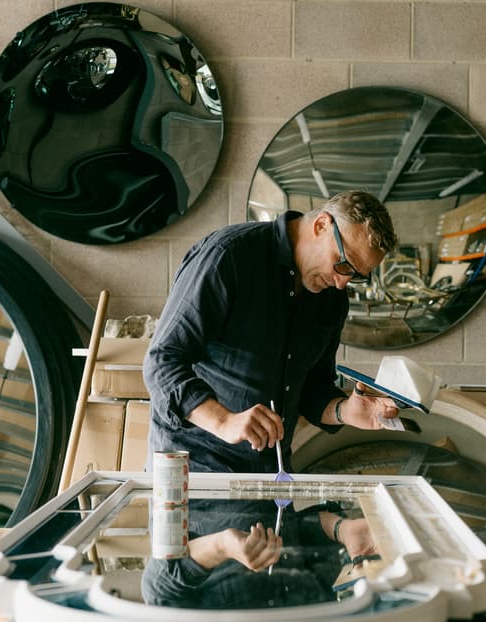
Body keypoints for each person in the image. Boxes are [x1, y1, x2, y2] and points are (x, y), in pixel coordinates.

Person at [143, 189, 400, 475]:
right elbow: (163, 361)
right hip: (196, 472)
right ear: (321, 226)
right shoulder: (227, 256)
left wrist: (345, 411)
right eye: (343, 264)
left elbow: (312, 388)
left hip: (269, 473)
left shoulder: (332, 299)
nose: (342, 283)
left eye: (356, 275)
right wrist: (224, 421)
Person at [142, 498, 380, 609]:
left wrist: (222, 545)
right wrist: (340, 530)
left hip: (215, 480)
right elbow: (293, 535)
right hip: (345, 593)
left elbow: (158, 583)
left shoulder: (171, 608)